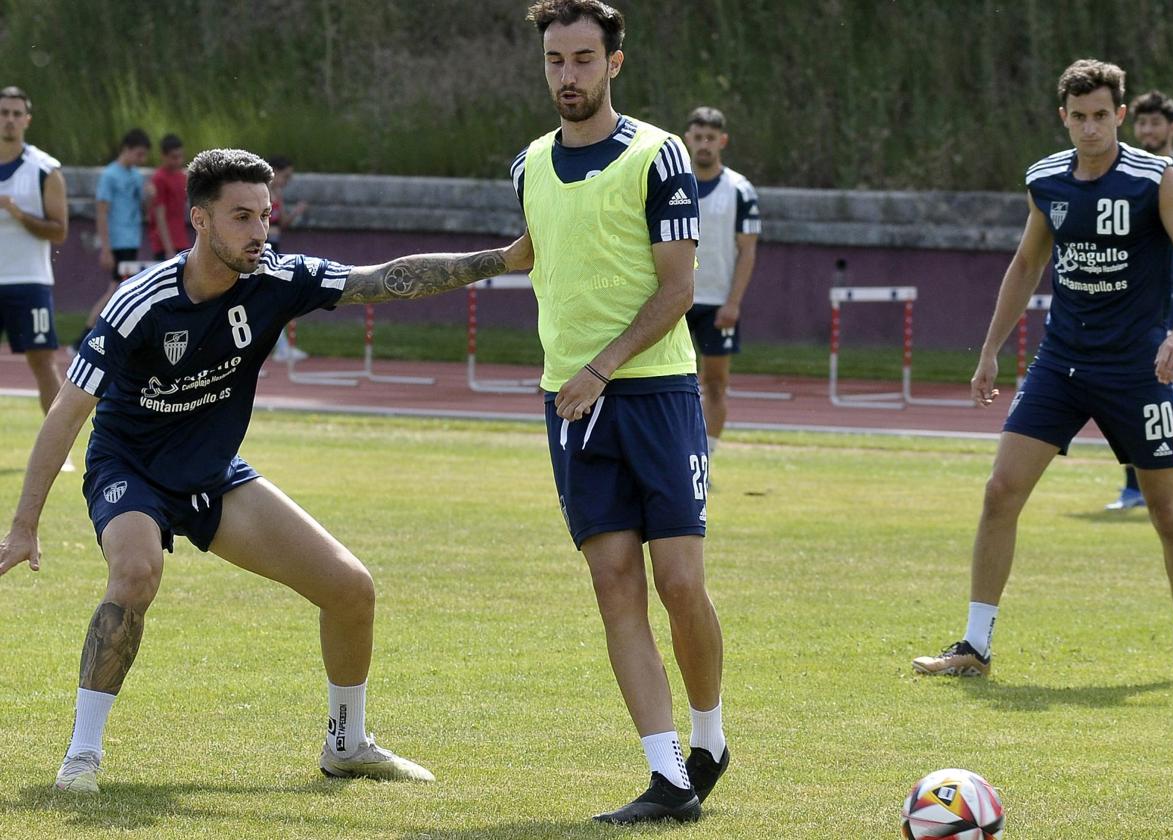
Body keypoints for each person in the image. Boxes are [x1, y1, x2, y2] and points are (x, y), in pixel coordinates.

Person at [0, 148, 532, 794]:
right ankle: (82, 758)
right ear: (199, 219)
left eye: (265, 215)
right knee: (136, 570)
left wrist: (501, 261)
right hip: (129, 467)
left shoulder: (280, 278)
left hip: (213, 475)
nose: (259, 232)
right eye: (241, 217)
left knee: (351, 589)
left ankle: (347, 744)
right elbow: (64, 415)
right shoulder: (138, 304)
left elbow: (383, 278)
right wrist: (24, 525)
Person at [912, 60, 1173, 687]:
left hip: (1138, 370)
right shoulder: (1045, 180)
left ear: (1120, 116)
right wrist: (989, 351)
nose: (1090, 128)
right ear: (1062, 117)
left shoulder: (1157, 179)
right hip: (1061, 364)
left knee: (1169, 512)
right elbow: (1024, 267)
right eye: (1079, 117)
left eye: (1102, 115)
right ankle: (975, 646)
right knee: (999, 492)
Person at [514, 0, 725, 824]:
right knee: (612, 584)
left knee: (678, 583)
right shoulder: (528, 164)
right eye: (555, 61)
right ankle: (668, 775)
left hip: (655, 394)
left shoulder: (658, 155)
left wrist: (601, 369)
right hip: (568, 402)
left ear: (615, 63)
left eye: (582, 59)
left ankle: (709, 739)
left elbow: (679, 290)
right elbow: (535, 254)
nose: (568, 75)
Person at [1106, 90, 1173, 510]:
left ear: (1172, 127)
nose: (1147, 130)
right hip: (1127, 300)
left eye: (1155, 123)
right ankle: (1134, 484)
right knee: (1124, 391)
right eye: (1141, 123)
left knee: (1170, 391)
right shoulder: (1127, 170)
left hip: (1168, 300)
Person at [682, 106, 760, 461]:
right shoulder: (671, 183)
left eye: (710, 138)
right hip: (673, 299)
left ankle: (706, 460)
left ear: (722, 141)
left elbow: (747, 251)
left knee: (714, 385)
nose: (704, 145)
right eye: (698, 137)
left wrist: (734, 302)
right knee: (667, 384)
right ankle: (674, 457)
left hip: (716, 302)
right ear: (687, 139)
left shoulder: (739, 190)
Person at [0, 85, 71, 470]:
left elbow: (59, 231)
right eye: (3, 113)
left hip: (28, 281)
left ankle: (60, 453)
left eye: (15, 113)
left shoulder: (44, 169)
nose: (9, 120)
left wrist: (18, 213)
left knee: (42, 362)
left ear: (26, 120)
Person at [72, 128, 151, 352]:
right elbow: (102, 211)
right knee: (116, 289)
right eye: (138, 154)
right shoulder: (110, 175)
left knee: (120, 289)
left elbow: (143, 209)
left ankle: (101, 336)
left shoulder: (136, 176)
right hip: (116, 241)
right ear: (125, 149)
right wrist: (105, 248)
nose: (141, 159)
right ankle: (86, 335)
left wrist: (149, 197)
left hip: (132, 240)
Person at [267, 155, 311, 362]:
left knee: (275, 299)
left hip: (275, 248)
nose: (286, 181)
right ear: (273, 171)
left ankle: (282, 347)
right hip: (262, 249)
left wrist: (296, 212)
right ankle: (281, 347)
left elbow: (282, 222)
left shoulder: (277, 194)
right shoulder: (262, 192)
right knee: (272, 298)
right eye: (285, 176)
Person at [148, 134, 191, 261]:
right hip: (164, 244)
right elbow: (159, 215)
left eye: (180, 156)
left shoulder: (182, 177)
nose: (178, 161)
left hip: (182, 241)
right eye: (174, 157)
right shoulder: (159, 178)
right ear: (163, 156)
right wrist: (168, 248)